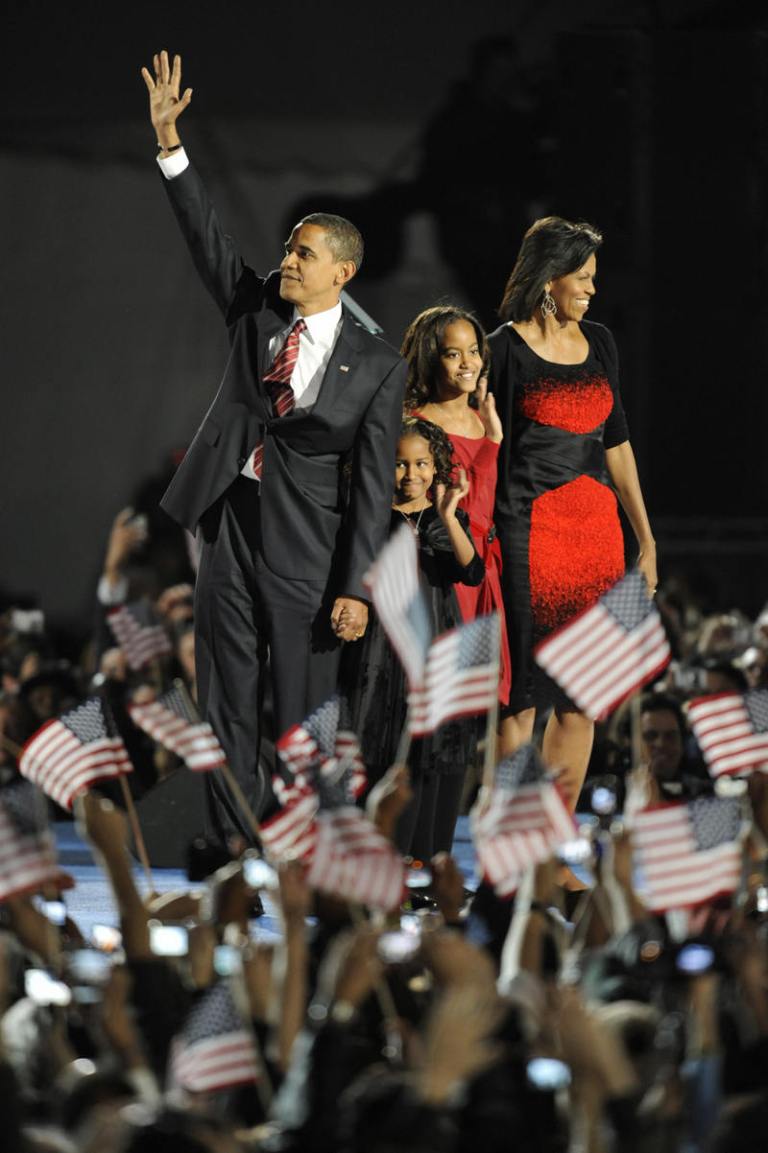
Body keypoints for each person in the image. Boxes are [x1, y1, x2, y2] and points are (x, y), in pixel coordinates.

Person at [140, 52, 406, 842]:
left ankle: (304, 855)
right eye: (288, 247)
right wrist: (170, 146)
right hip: (233, 526)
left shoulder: (379, 364)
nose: (286, 260)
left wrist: (356, 584)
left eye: (304, 253)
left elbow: (372, 484)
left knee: (302, 713)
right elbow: (206, 236)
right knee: (225, 701)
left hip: (310, 551)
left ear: (343, 271)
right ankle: (233, 856)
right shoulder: (254, 309)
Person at [488, 216, 656, 811]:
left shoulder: (602, 342)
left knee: (581, 699)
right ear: (548, 280)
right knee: (522, 702)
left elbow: (618, 444)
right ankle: (510, 848)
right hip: (528, 539)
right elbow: (489, 453)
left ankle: (552, 847)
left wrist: (646, 539)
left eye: (593, 278)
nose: (591, 289)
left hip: (596, 542)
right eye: (581, 277)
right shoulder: (502, 349)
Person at [343, 418, 484, 861]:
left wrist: (446, 515)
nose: (411, 475)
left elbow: (472, 569)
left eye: (421, 463)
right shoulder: (370, 518)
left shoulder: (445, 517)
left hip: (432, 647)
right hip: (380, 651)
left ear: (436, 466)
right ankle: (377, 854)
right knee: (379, 743)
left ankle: (424, 857)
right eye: (399, 464)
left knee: (430, 750)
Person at [402, 305, 511, 707]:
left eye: (473, 351)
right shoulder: (414, 425)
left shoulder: (484, 418)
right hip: (445, 572)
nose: (468, 363)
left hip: (486, 566)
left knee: (483, 706)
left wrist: (493, 436)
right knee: (448, 702)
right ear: (432, 358)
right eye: (453, 353)